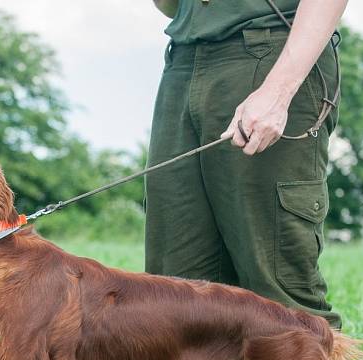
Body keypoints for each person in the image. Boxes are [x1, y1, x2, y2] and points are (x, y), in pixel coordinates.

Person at [147, 0, 347, 328]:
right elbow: (170, 6)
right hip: (184, 58)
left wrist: (278, 91)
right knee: (174, 294)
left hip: (271, 48)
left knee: (279, 296)